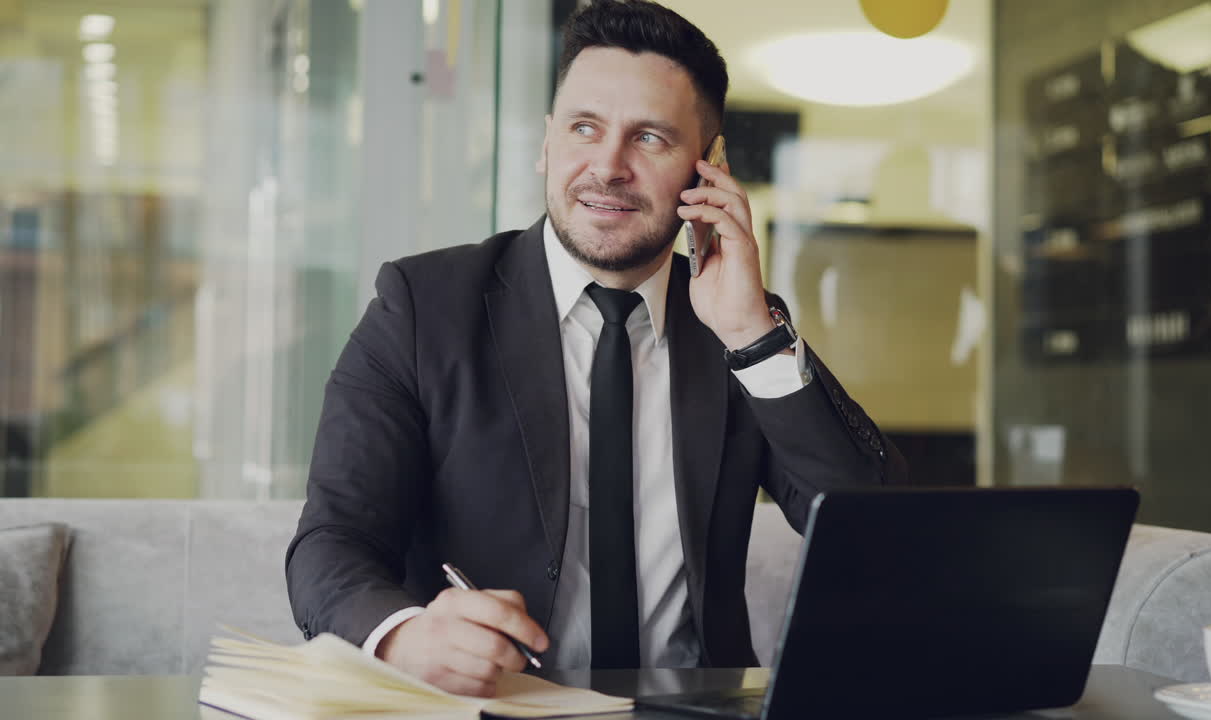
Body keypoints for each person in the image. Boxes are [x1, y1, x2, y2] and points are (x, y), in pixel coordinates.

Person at [286, 0, 907, 698]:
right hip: (489, 712)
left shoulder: (737, 323)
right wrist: (402, 636)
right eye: (585, 128)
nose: (607, 167)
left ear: (709, 166)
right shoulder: (423, 306)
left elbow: (878, 534)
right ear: (548, 142)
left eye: (649, 139)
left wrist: (752, 334)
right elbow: (330, 544)